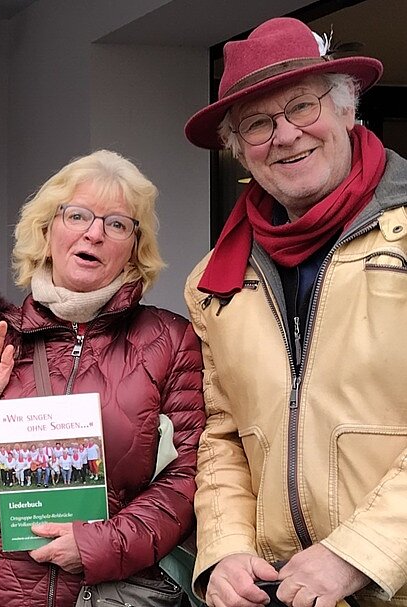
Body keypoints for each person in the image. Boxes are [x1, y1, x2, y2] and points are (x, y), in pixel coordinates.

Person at [182, 17, 407, 607]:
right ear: (239, 149)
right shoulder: (214, 283)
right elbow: (223, 436)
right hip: (284, 590)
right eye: (257, 123)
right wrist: (227, 549)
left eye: (303, 107)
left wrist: (358, 553)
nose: (284, 135)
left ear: (347, 111)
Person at [0, 150, 205, 607]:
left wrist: (99, 544)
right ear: (46, 232)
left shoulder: (170, 340)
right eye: (77, 215)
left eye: (118, 224)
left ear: (134, 249)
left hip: (112, 592)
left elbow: (191, 473)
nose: (95, 232)